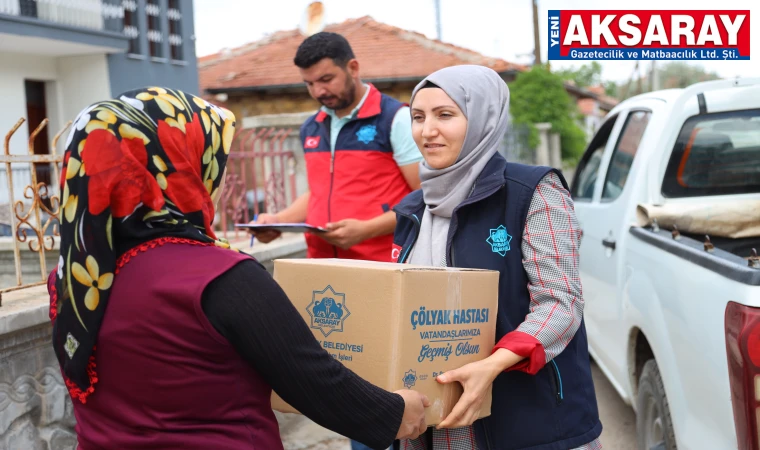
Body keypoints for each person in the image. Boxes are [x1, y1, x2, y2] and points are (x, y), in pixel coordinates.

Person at [47, 87, 430, 450]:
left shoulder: (74, 280)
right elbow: (313, 379)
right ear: (178, 166)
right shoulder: (218, 277)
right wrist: (398, 412)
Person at [391, 66, 603, 449]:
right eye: (418, 117)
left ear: (483, 118)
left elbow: (561, 302)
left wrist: (492, 364)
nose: (427, 131)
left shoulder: (532, 192)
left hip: (527, 420)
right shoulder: (412, 210)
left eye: (445, 115)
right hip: (440, 423)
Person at [251, 32, 422, 262]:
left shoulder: (396, 119)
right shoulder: (311, 127)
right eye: (309, 84)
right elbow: (319, 192)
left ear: (352, 68)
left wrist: (366, 230)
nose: (318, 91)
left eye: (326, 79)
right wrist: (277, 220)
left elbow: (424, 199)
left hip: (382, 265)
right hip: (320, 264)